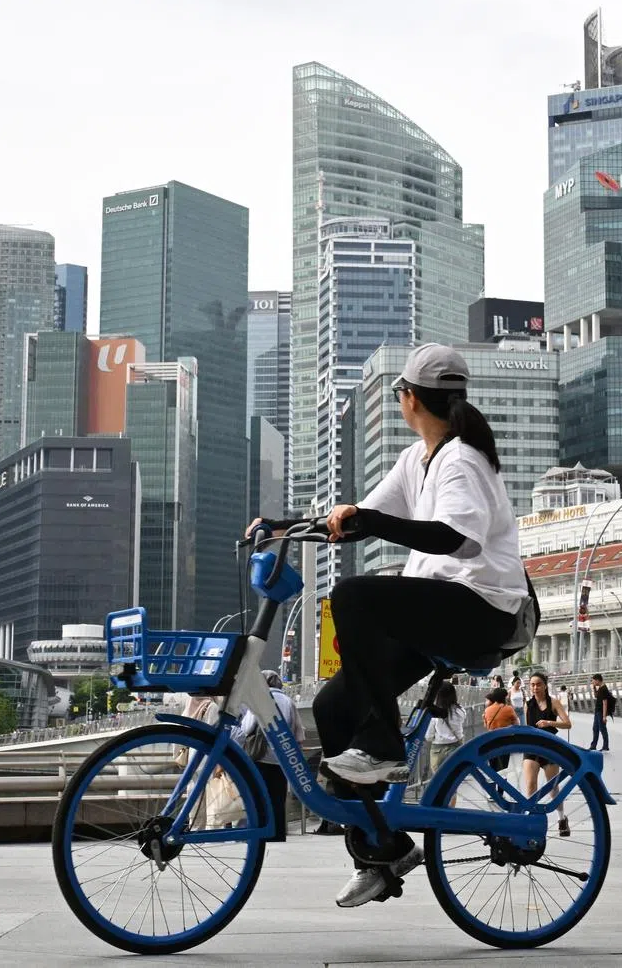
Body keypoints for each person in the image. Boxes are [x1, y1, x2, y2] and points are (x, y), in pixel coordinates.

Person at [249, 343, 528, 909]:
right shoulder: (416, 459)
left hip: (483, 609)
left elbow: (457, 539)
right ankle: (380, 849)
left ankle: (381, 744)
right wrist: (283, 526)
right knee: (330, 708)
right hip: (443, 612)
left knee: (353, 596)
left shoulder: (462, 460)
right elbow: (353, 521)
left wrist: (373, 521)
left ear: (408, 399)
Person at [231, 669, 305, 842]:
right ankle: (278, 833)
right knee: (278, 798)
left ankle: (261, 833)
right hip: (282, 758)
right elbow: (297, 731)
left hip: (261, 757)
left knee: (259, 797)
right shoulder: (288, 701)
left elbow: (247, 728)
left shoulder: (260, 700)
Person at [523, 670, 572, 836]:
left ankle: (561, 818)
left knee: (553, 788)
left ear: (545, 686)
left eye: (538, 684)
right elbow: (528, 726)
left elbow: (567, 724)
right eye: (532, 685)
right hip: (531, 748)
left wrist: (549, 722)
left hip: (550, 748)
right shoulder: (527, 705)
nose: (535, 688)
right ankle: (532, 818)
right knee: (530, 785)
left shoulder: (554, 703)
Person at [589, 673, 611, 751]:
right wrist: (594, 688)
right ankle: (593, 745)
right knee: (595, 728)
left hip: (601, 712)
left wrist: (604, 716)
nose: (592, 682)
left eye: (593, 681)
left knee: (602, 729)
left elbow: (605, 703)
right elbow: (596, 696)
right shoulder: (600, 688)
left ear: (598, 680)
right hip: (597, 711)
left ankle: (605, 746)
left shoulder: (604, 689)